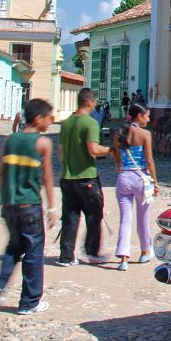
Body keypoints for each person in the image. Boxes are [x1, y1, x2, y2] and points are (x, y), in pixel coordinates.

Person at [0, 97, 57, 315]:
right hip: (29, 205)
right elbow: (47, 176)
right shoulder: (43, 142)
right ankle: (29, 301)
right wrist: (51, 208)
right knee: (33, 253)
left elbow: (2, 172)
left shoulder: (10, 140)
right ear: (38, 119)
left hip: (9, 204)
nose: (51, 121)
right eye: (49, 118)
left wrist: (4, 199)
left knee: (14, 246)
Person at [57, 88, 112, 266]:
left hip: (67, 177)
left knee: (70, 217)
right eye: (94, 102)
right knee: (94, 215)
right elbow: (94, 150)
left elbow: (61, 152)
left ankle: (66, 256)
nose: (95, 105)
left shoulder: (66, 123)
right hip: (87, 177)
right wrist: (111, 150)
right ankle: (92, 253)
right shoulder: (90, 123)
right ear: (89, 102)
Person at [111, 103, 159, 271]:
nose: (148, 119)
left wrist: (121, 172)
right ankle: (145, 251)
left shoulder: (118, 134)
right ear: (139, 116)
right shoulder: (145, 134)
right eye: (147, 116)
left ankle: (123, 258)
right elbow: (149, 161)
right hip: (141, 178)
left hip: (124, 177)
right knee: (143, 218)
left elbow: (117, 158)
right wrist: (155, 182)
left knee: (125, 219)